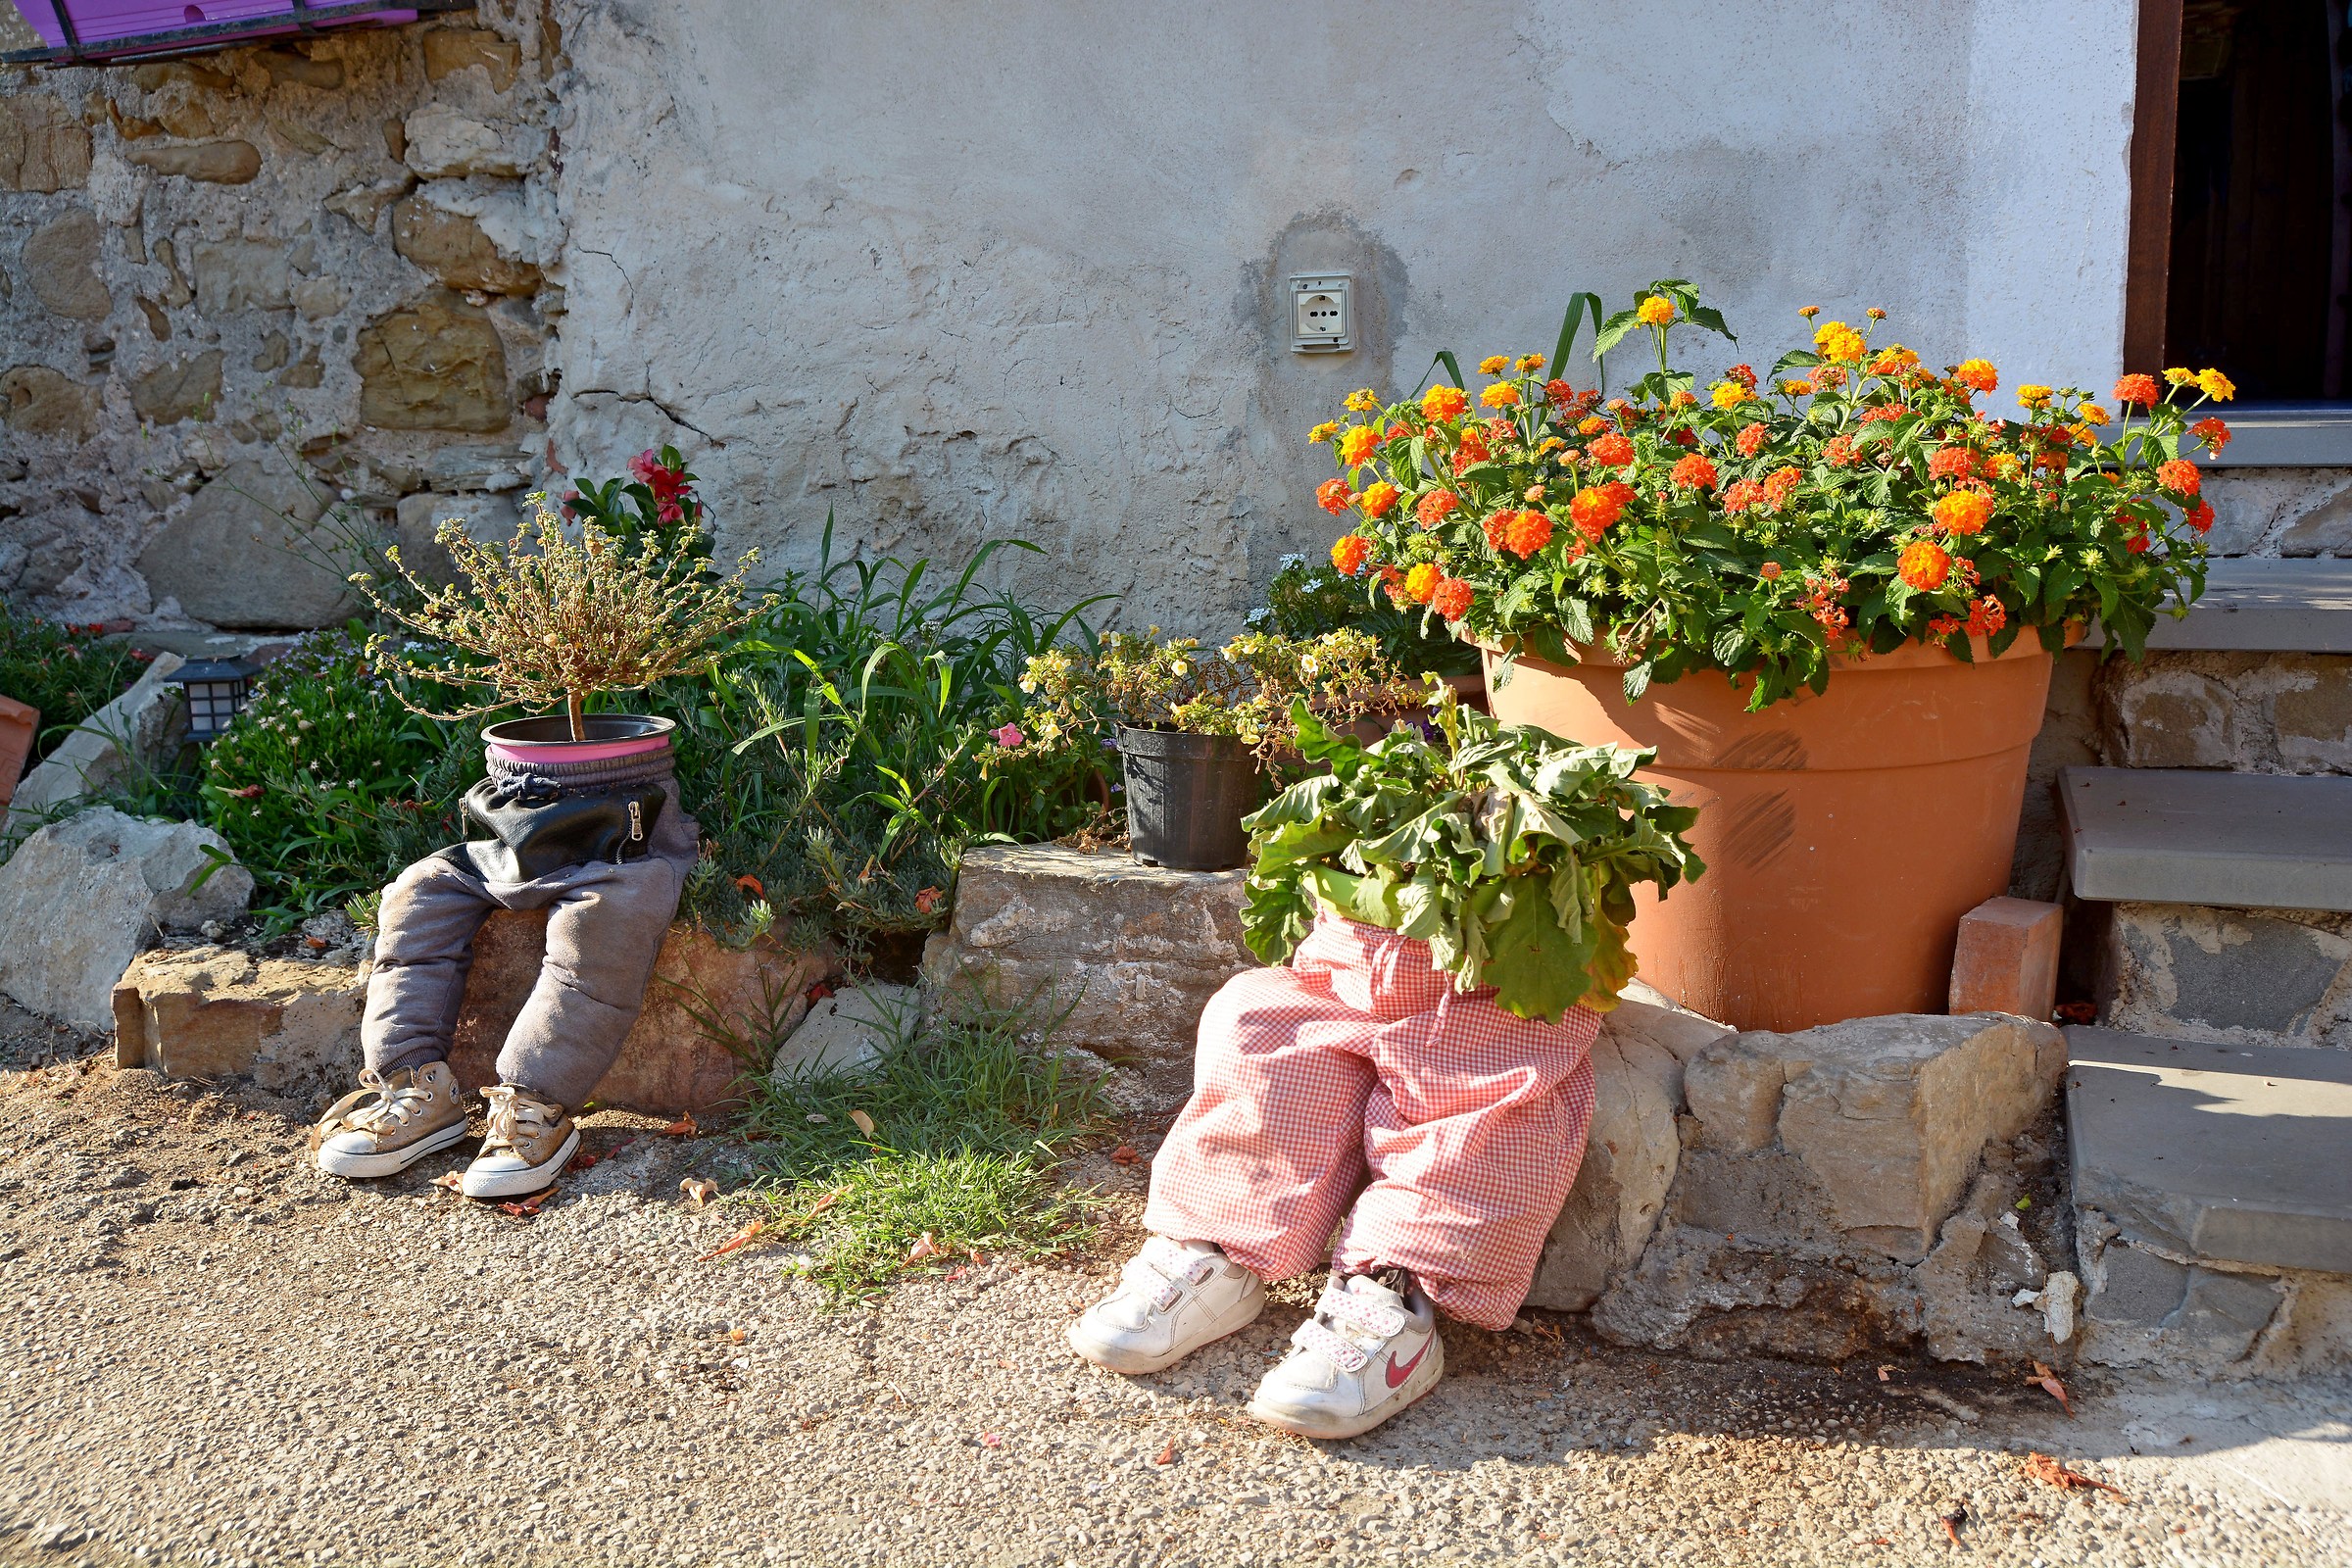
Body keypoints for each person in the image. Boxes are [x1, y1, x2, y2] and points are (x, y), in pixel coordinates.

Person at [1068, 908, 1598, 1439]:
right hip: (1348, 968)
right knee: (1263, 1041)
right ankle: (1216, 1249)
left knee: (1475, 1123)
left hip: (1503, 994)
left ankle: (1392, 1292)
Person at [308, 727, 698, 1197]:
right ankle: (414, 1085)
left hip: (623, 845)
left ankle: (532, 1108)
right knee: (420, 892)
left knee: (599, 931)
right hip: (519, 836)